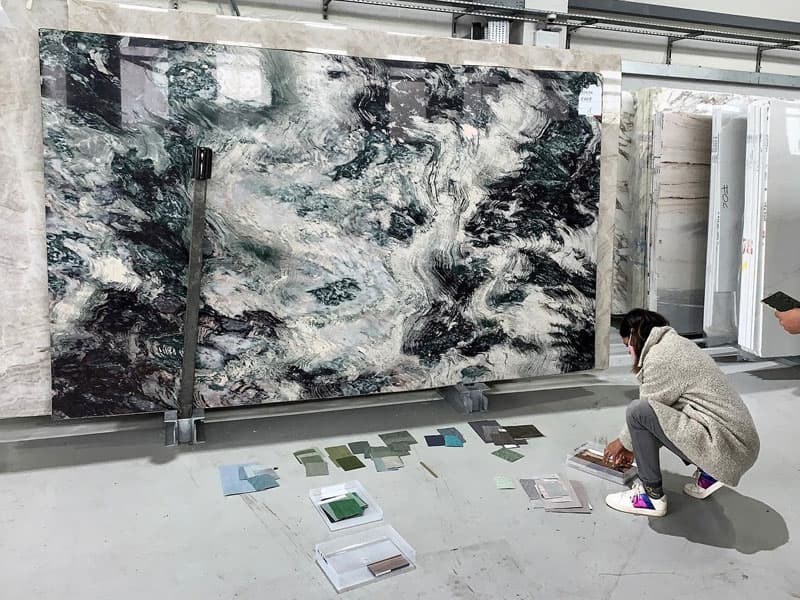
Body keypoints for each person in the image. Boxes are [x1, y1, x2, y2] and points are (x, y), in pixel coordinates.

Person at [602, 309, 760, 518]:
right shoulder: (677, 345)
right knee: (653, 411)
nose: (629, 352)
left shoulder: (660, 357)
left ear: (634, 335)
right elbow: (662, 416)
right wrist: (634, 447)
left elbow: (646, 411)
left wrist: (621, 443)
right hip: (738, 444)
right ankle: (709, 475)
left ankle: (651, 497)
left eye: (627, 346)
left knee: (637, 411)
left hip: (729, 448)